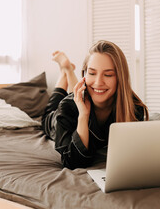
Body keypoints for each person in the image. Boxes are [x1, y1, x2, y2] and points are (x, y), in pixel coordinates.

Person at [42, 40, 149, 169]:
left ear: (120, 78)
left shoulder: (133, 108)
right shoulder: (67, 107)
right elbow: (73, 162)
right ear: (84, 75)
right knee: (51, 109)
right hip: (56, 118)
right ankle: (65, 71)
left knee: (77, 94)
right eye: (92, 73)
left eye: (108, 75)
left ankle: (67, 70)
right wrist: (83, 115)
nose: (98, 82)